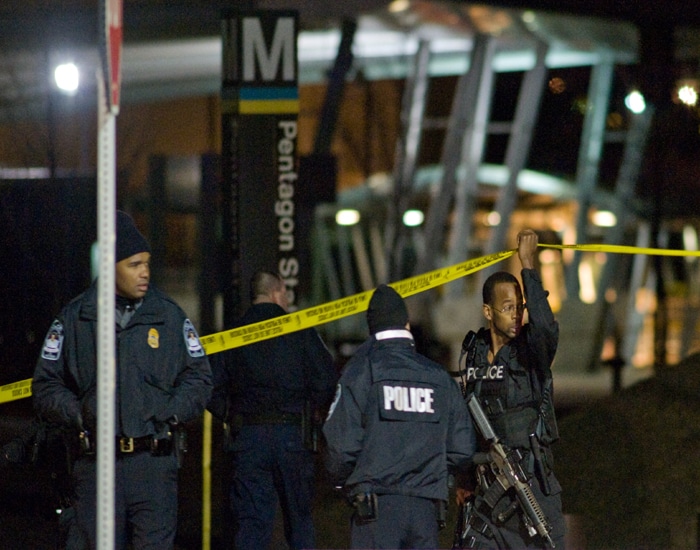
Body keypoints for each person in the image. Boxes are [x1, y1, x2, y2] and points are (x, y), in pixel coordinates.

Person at [32, 210, 212, 549]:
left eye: (146, 263)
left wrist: (169, 410)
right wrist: (80, 412)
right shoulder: (77, 317)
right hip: (96, 467)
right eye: (134, 265)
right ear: (111, 266)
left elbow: (200, 378)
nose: (145, 272)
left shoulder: (168, 316)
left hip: (154, 466)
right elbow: (45, 385)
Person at [323, 284, 476, 549]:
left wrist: (345, 484)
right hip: (426, 511)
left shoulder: (361, 372)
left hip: (375, 510)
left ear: (372, 329)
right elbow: (463, 449)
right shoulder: (438, 377)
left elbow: (339, 447)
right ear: (406, 323)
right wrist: (434, 474)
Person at [207, 270, 337, 550]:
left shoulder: (232, 334)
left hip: (248, 437)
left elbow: (208, 387)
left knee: (252, 523)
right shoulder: (300, 330)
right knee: (300, 520)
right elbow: (326, 379)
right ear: (278, 293)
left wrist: (231, 414)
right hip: (293, 435)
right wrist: (312, 409)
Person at [455, 228, 565, 549]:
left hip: (531, 488)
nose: (516, 314)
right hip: (489, 494)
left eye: (519, 306)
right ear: (488, 312)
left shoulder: (531, 350)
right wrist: (464, 479)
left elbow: (546, 327)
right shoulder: (474, 352)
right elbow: (468, 418)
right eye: (507, 308)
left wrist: (528, 266)